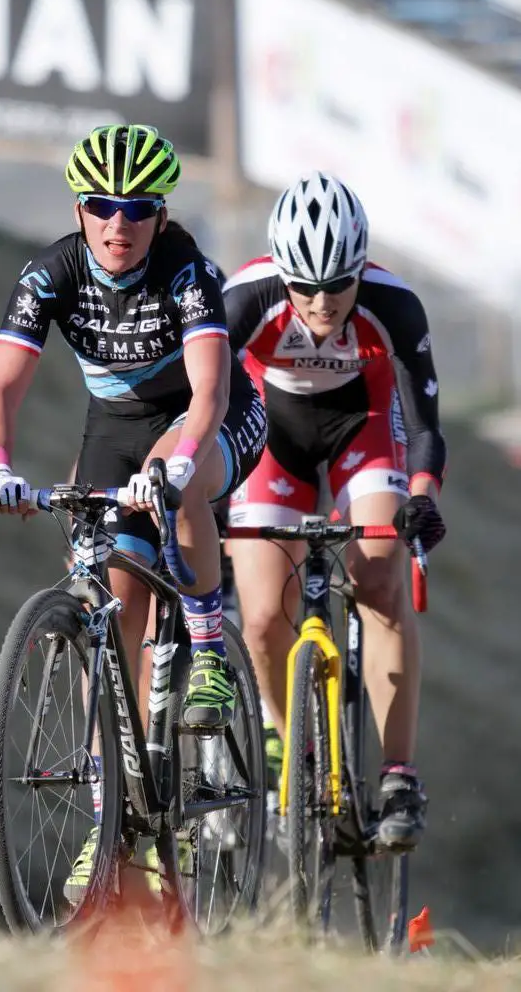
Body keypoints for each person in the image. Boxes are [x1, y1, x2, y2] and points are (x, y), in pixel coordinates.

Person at [0, 123, 267, 894]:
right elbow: (1, 387)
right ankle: (110, 819)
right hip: (113, 427)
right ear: (79, 209)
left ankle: (207, 654)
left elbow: (208, 393)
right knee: (108, 599)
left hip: (212, 414)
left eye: (138, 208)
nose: (119, 223)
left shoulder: (184, 266)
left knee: (186, 479)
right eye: (102, 204)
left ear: (161, 216)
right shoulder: (50, 274)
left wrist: (172, 465)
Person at [225, 170, 446, 850]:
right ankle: (284, 740)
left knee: (378, 582)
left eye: (337, 285)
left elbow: (425, 424)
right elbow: (202, 406)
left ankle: (397, 775)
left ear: (361, 268)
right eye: (304, 286)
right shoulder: (243, 296)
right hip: (271, 430)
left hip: (364, 423)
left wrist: (419, 502)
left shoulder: (394, 304)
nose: (321, 302)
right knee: (261, 616)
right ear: (279, 272)